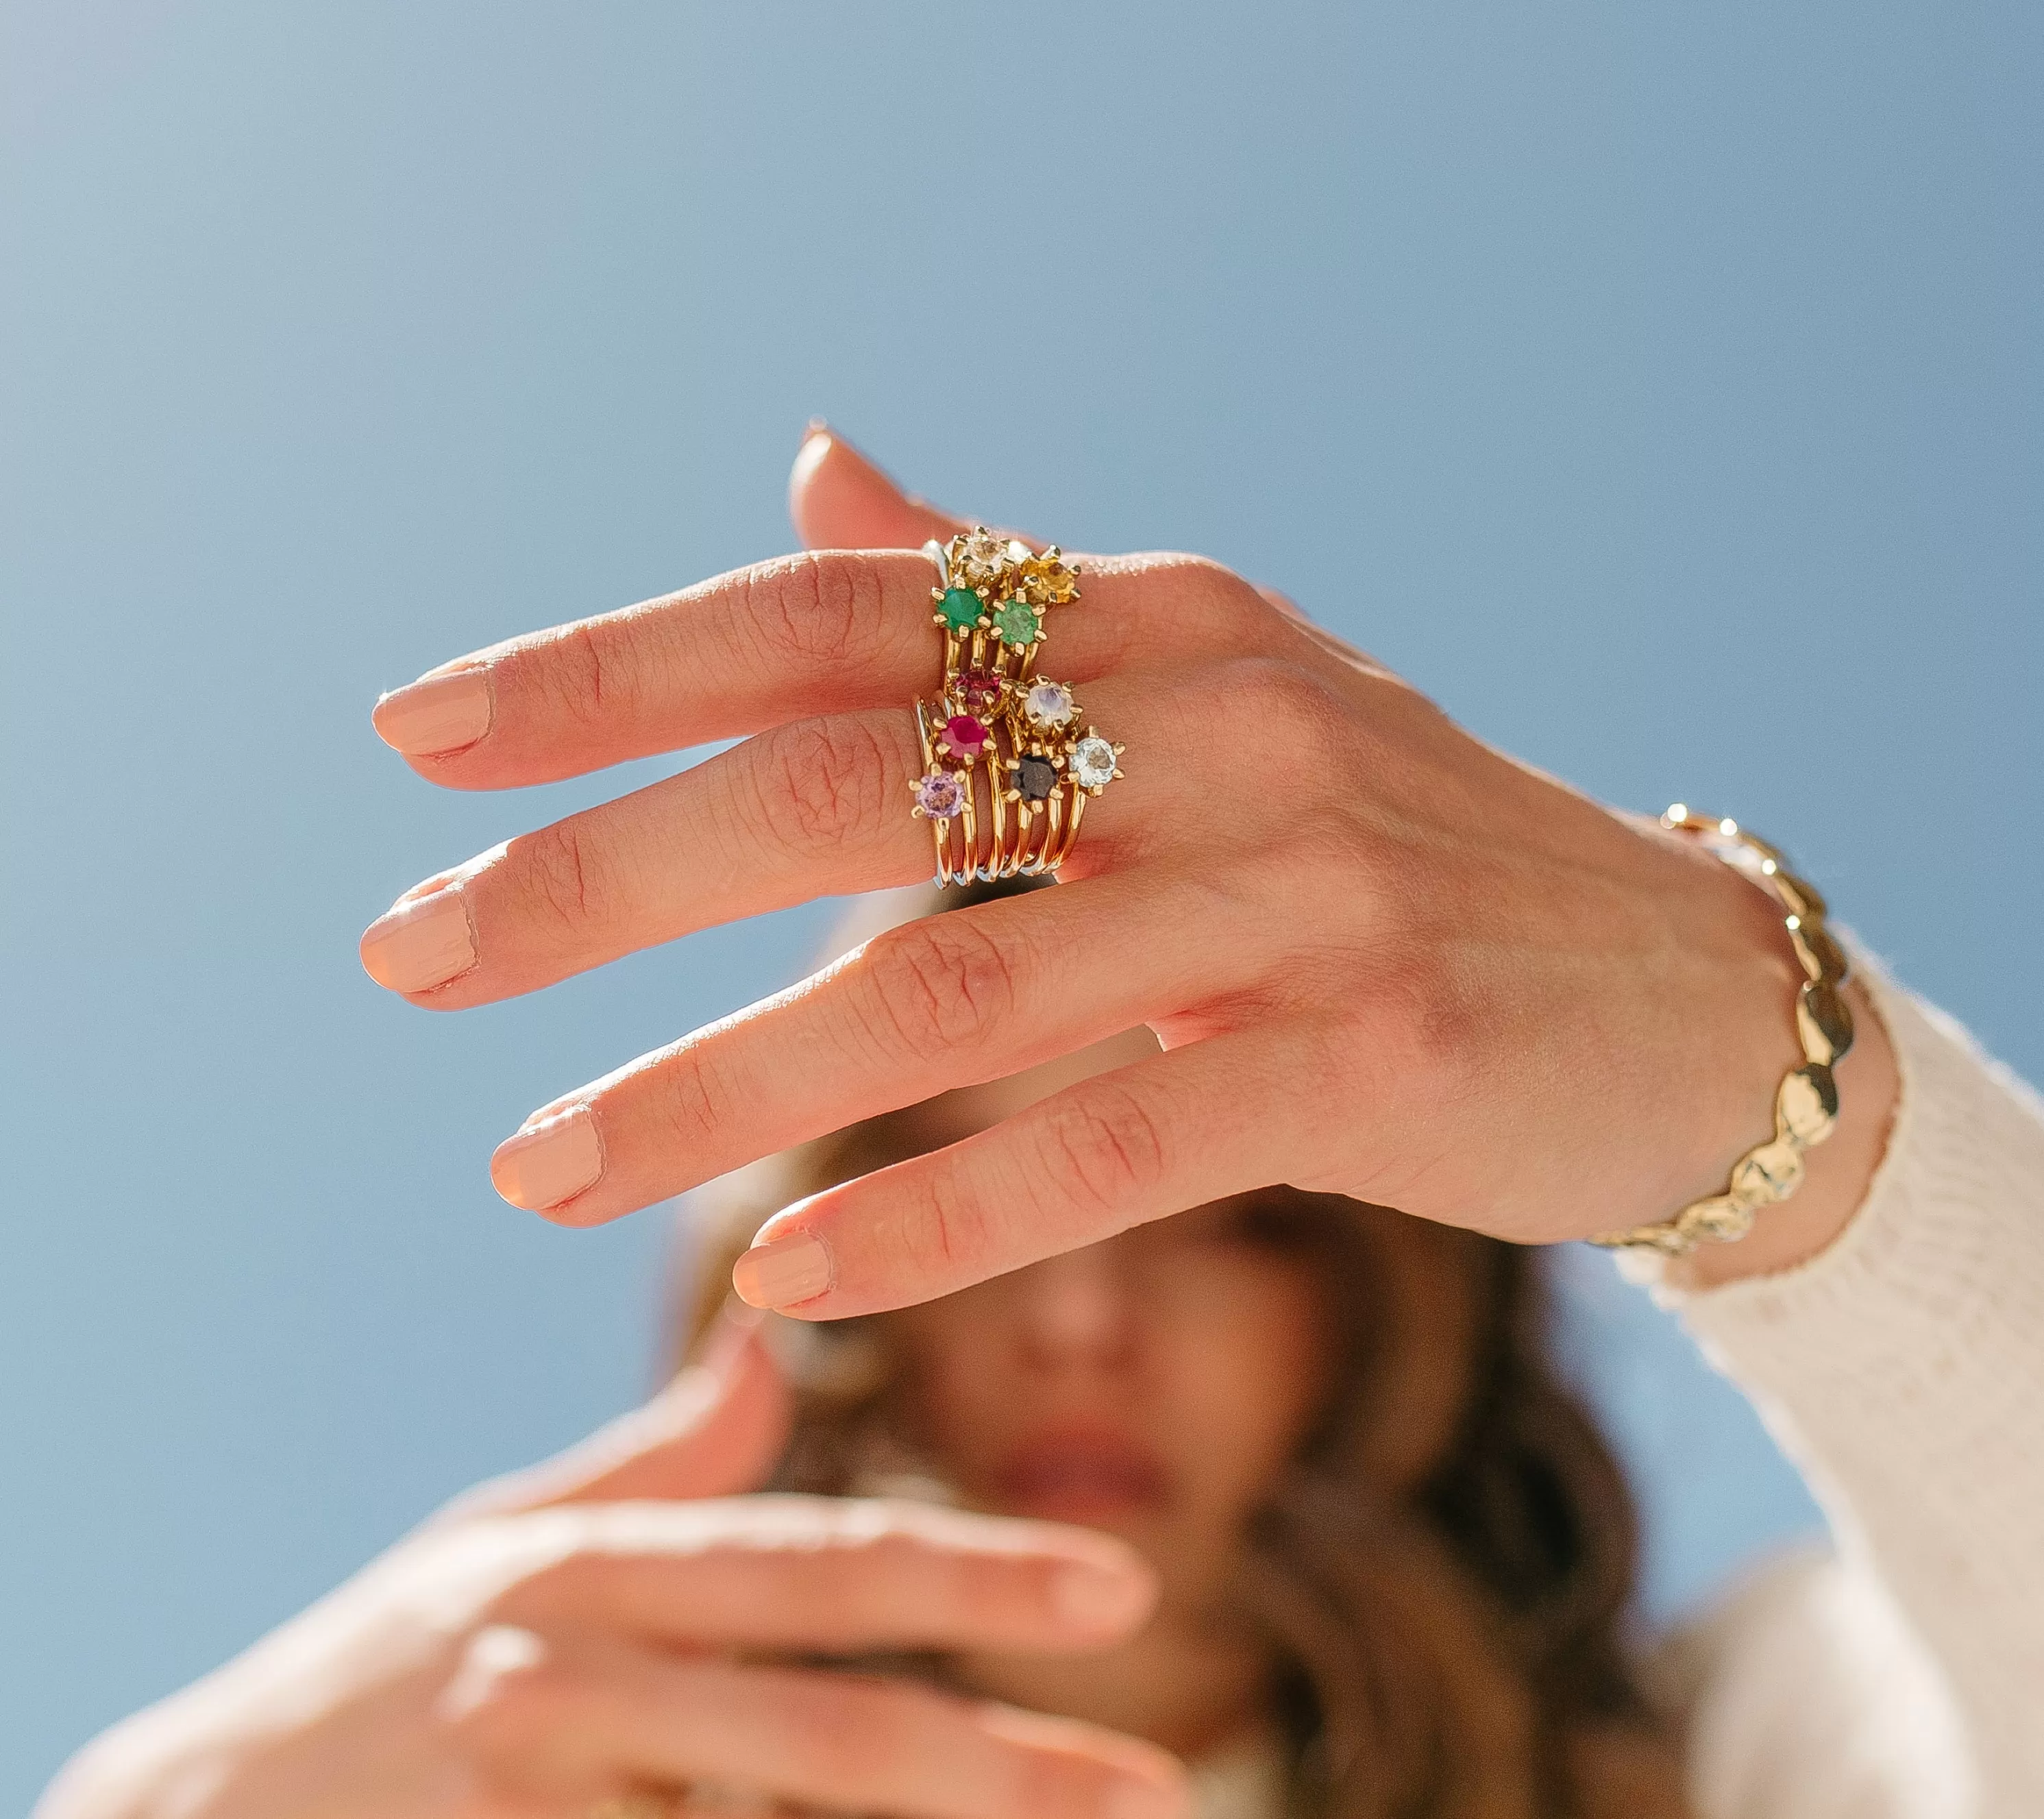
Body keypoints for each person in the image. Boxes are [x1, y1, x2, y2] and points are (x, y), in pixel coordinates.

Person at [39, 434, 2043, 1815]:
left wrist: (1785, 1081)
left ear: (1381, 1281)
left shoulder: (1714, 1750)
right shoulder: (546, 1788)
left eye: (1213, 1198)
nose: (1079, 1311)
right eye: (968, 1195)